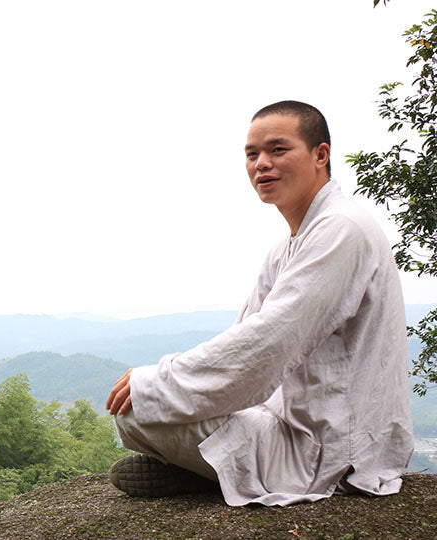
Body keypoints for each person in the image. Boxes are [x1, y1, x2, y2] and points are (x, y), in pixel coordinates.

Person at [105, 100, 414, 507]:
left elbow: (268, 345)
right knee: (144, 408)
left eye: (277, 150)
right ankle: (222, 468)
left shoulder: (343, 228)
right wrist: (164, 387)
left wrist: (158, 381)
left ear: (321, 155)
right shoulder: (287, 247)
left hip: (333, 454)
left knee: (139, 409)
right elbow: (244, 338)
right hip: (287, 426)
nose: (261, 164)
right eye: (252, 154)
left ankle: (218, 472)